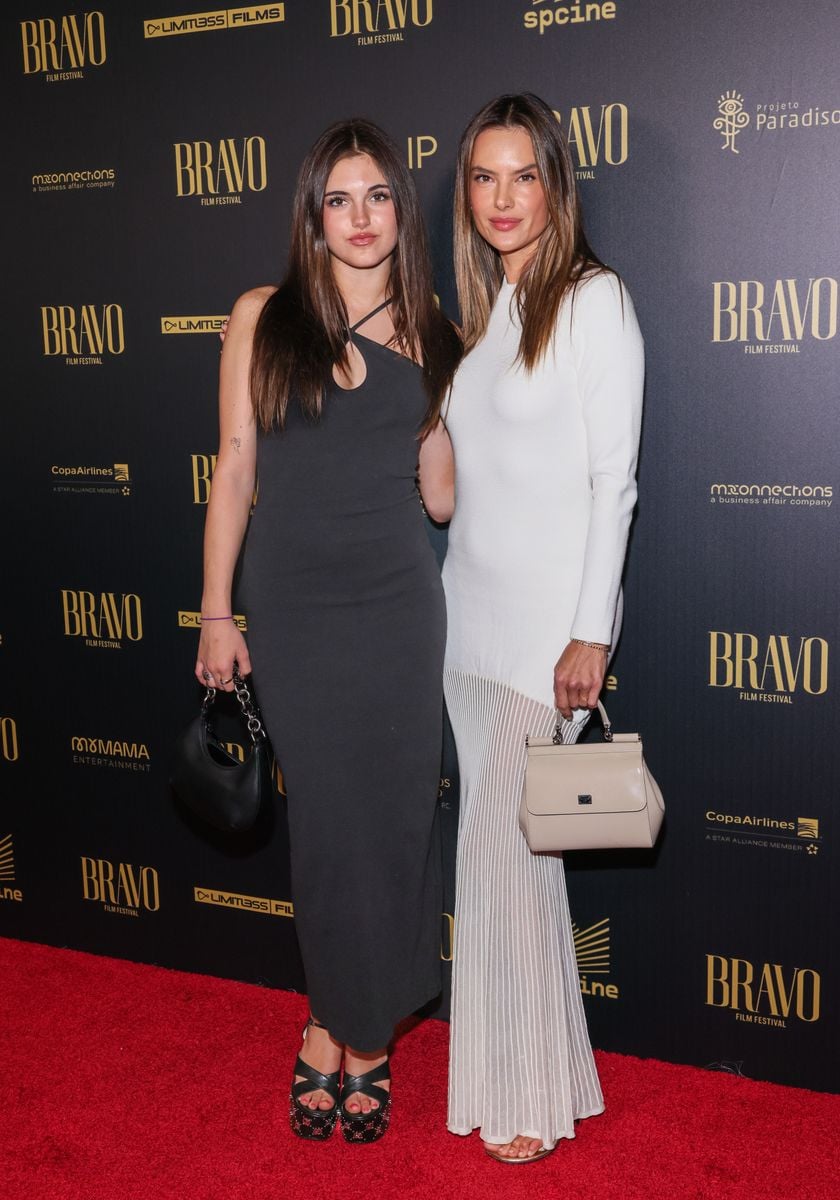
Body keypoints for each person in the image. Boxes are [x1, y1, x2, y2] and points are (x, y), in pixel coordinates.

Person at [195, 118, 461, 1144]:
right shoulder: (262, 316)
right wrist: (216, 610)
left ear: (401, 214)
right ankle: (329, 1023)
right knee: (326, 825)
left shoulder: (434, 332)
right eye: (339, 199)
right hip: (295, 604)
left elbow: (439, 500)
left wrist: (454, 412)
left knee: (392, 823)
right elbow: (234, 469)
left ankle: (367, 1038)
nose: (360, 217)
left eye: (378, 196)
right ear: (313, 215)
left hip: (398, 607)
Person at [440, 93, 645, 1163]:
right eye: (484, 177)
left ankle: (527, 1094)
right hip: (464, 632)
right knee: (505, 875)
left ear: (555, 184)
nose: (503, 197)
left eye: (523, 175)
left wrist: (589, 632)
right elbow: (450, 497)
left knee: (509, 863)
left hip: (541, 642)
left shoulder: (593, 301)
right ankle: (530, 1074)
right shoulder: (487, 322)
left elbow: (615, 482)